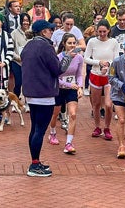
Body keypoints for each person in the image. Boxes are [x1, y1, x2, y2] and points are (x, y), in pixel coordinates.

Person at [22, 19, 72, 177]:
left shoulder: (28, 46)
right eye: (50, 30)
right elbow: (58, 70)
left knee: (34, 129)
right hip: (44, 94)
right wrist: (68, 57)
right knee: (40, 131)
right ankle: (34, 165)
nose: (52, 32)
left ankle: (35, 162)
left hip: (31, 94)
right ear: (44, 32)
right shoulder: (46, 47)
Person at [47, 33, 84, 154]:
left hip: (72, 89)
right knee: (55, 113)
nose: (72, 45)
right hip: (59, 89)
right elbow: (55, 77)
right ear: (64, 44)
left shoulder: (79, 58)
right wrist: (68, 85)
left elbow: (79, 74)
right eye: (69, 43)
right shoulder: (58, 57)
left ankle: (69, 142)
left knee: (73, 114)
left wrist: (80, 87)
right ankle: (52, 133)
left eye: (74, 43)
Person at [84, 19, 119, 140]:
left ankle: (107, 127)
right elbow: (86, 58)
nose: (102, 34)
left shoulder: (114, 42)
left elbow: (116, 59)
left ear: (109, 30)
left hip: (109, 76)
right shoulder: (92, 42)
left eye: (104, 31)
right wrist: (99, 62)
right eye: (100, 31)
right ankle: (97, 127)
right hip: (95, 74)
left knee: (108, 105)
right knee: (96, 104)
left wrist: (108, 65)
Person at [10, 12, 31, 108]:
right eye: (24, 21)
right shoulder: (14, 33)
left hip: (30, 63)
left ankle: (27, 103)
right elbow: (10, 49)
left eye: (27, 21)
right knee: (18, 83)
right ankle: (16, 103)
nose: (25, 23)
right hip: (17, 62)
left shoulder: (33, 32)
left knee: (28, 83)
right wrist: (17, 57)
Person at [83, 13, 104, 97]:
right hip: (91, 56)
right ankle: (86, 87)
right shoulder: (90, 31)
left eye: (101, 19)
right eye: (97, 18)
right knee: (89, 72)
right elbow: (85, 36)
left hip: (101, 58)